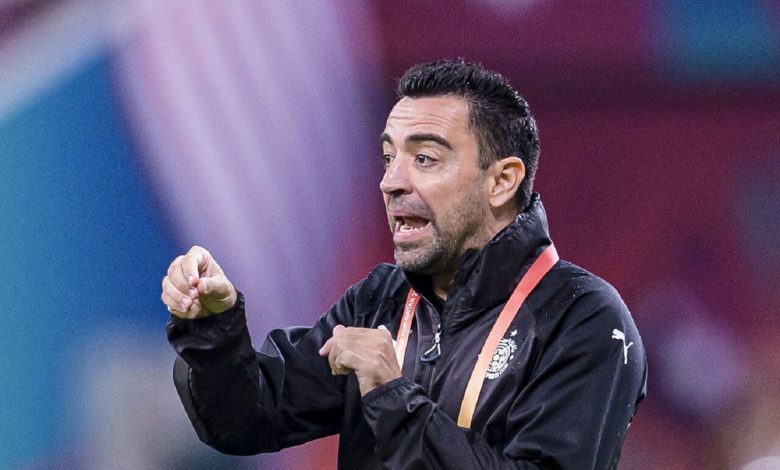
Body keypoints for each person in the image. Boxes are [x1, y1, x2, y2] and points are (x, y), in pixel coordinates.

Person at [162, 59, 647, 469]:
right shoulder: (381, 300)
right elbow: (247, 420)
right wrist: (213, 328)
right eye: (388, 156)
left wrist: (392, 396)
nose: (390, 181)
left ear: (501, 181)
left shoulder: (583, 318)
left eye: (425, 158)